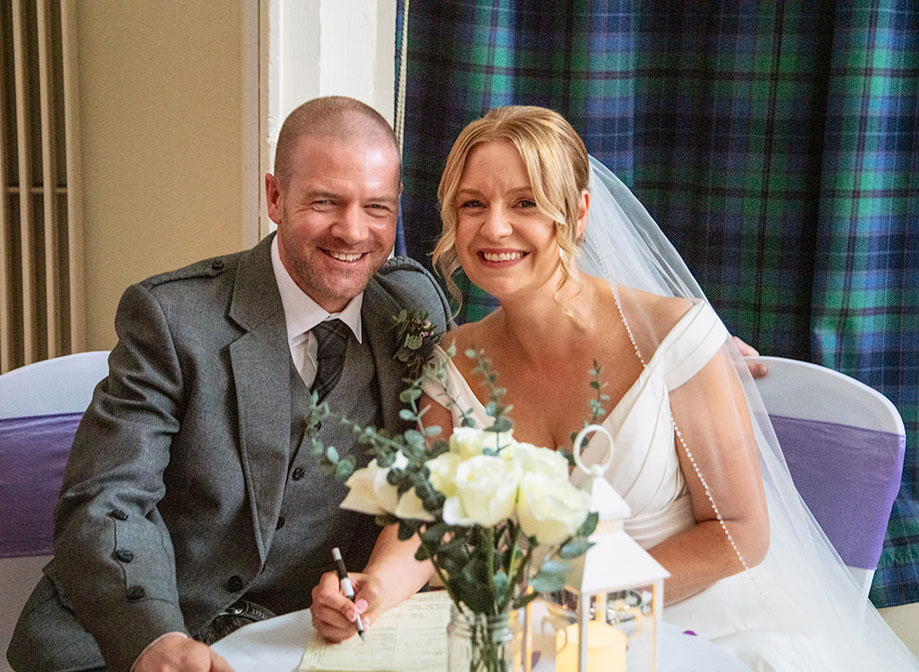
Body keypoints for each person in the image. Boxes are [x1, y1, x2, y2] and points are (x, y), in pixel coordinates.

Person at [416, 106, 917, 670]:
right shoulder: (452, 364)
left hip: (707, 627)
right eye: (472, 203)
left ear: (579, 213)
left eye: (525, 201)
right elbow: (435, 539)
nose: (495, 227)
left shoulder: (672, 339)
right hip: (540, 639)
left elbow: (740, 534)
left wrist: (591, 608)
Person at [7, 96, 452, 672]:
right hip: (121, 639)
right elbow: (107, 498)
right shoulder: (172, 318)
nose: (352, 231)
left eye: (377, 208)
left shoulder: (414, 311)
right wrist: (150, 638)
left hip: (301, 643)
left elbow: (435, 484)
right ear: (274, 197)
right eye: (325, 202)